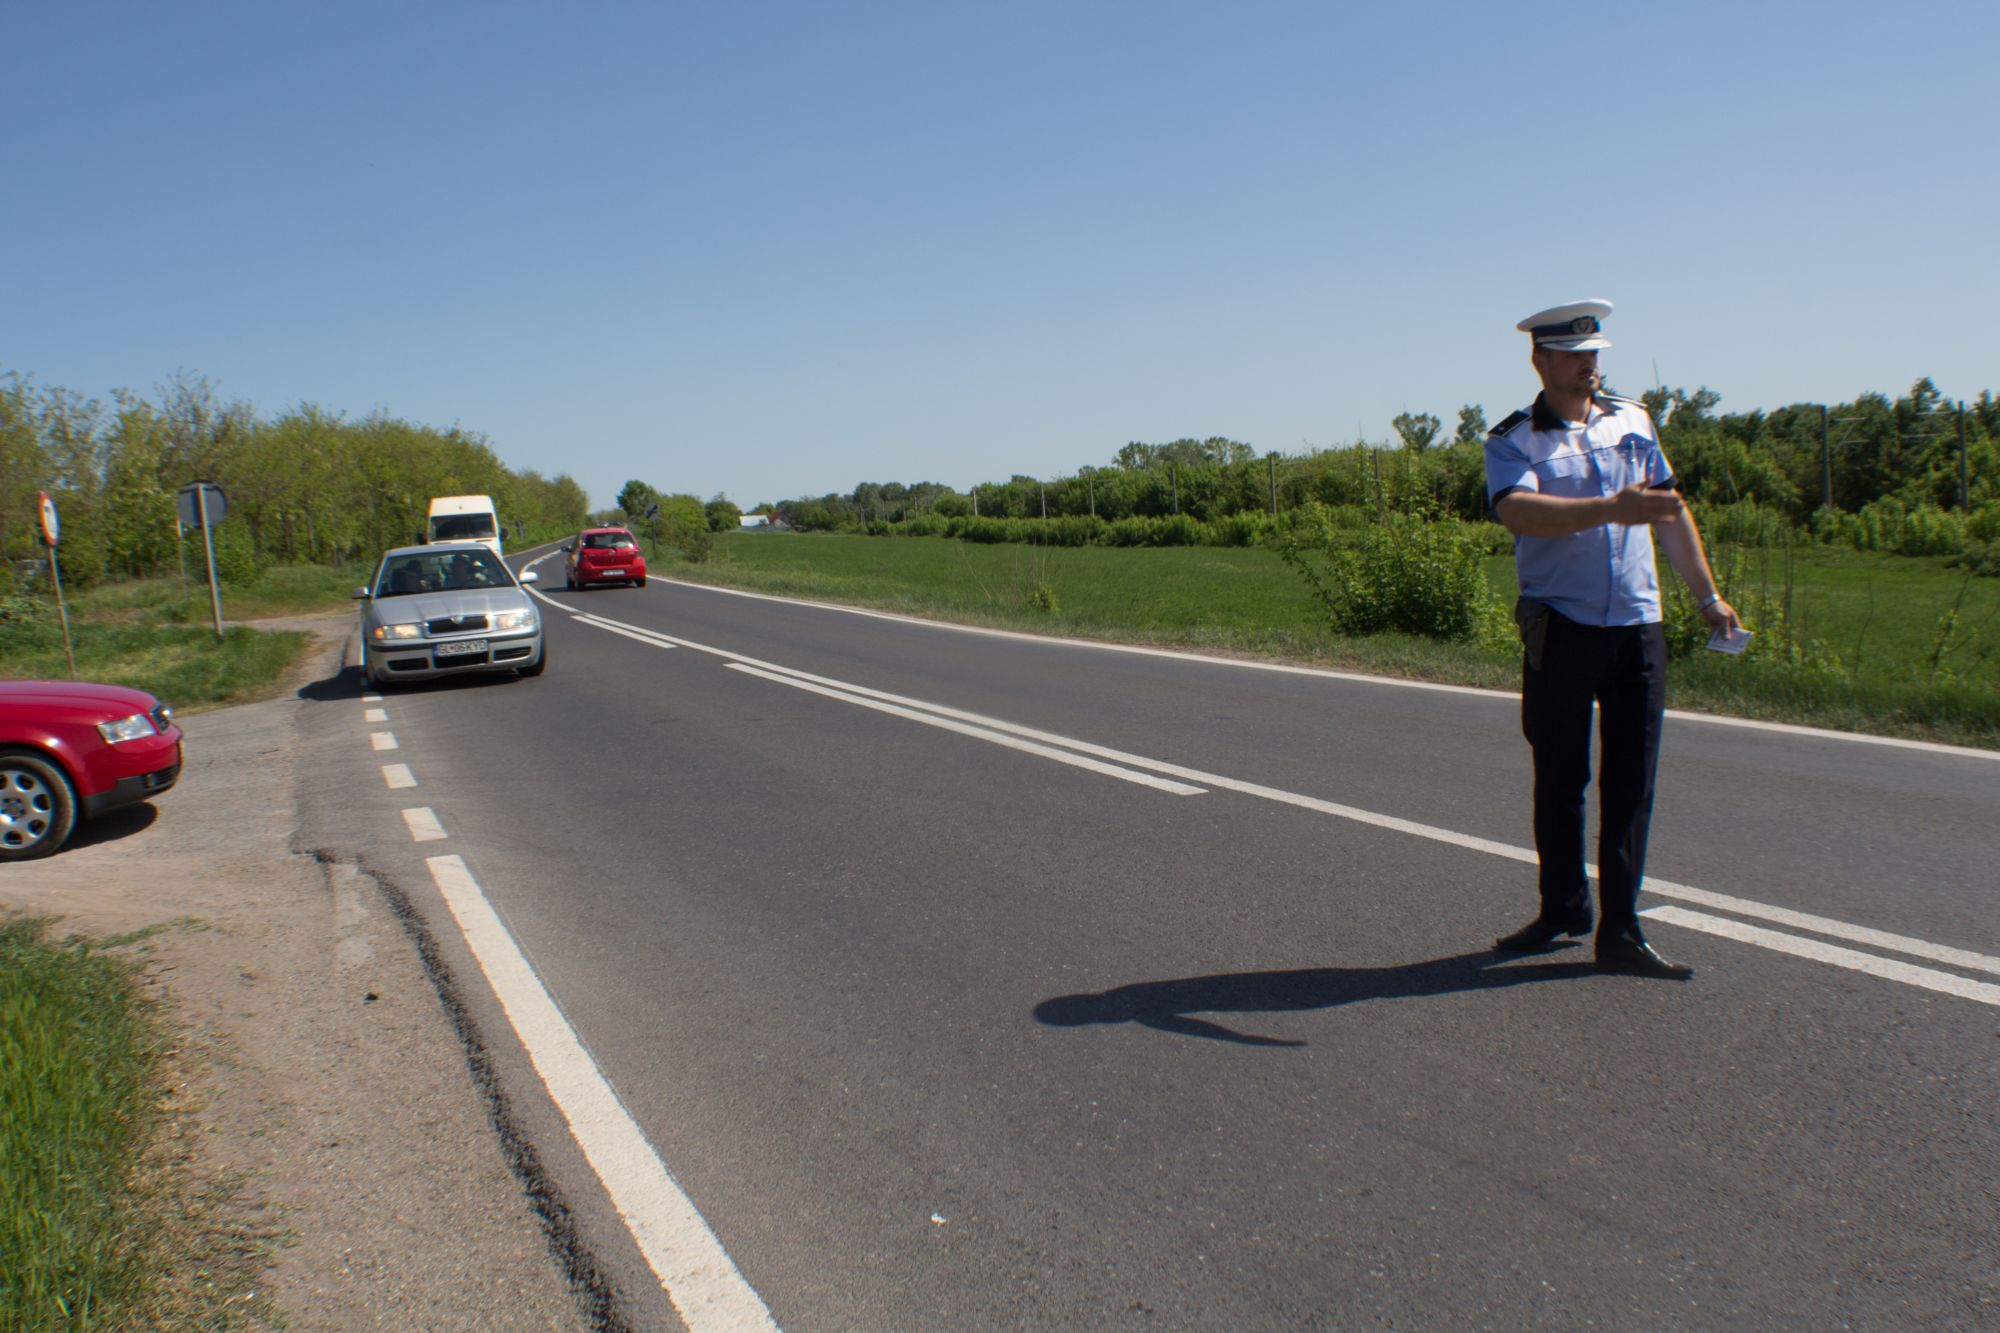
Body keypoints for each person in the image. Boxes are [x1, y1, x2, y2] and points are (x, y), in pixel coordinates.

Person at [1483, 300, 1740, 980]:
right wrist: (1609, 509)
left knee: (1633, 781)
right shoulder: (1514, 439)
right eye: (1575, 354)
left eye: (1596, 353)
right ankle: (1564, 906)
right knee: (1561, 776)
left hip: (1637, 627)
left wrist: (1707, 597)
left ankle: (1623, 928)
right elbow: (1518, 511)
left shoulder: (1633, 421)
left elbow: (1669, 511)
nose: (1590, 365)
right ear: (1541, 360)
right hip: (1561, 630)